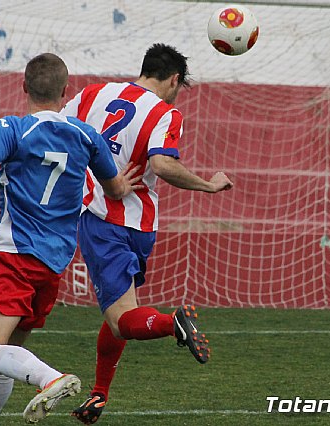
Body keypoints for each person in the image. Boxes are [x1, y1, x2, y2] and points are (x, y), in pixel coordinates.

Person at [0, 53, 142, 426]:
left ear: (24, 86)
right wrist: (125, 182)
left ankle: (49, 378)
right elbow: (115, 188)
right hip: (53, 263)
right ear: (65, 91)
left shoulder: (13, 129)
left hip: (13, 256)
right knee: (6, 357)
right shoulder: (87, 135)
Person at [60, 43, 234, 424]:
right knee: (119, 316)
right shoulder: (166, 113)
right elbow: (160, 164)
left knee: (123, 318)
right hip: (140, 226)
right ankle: (99, 395)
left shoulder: (95, 93)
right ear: (174, 79)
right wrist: (210, 184)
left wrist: (88, 172)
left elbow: (57, 129)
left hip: (103, 221)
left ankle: (173, 324)